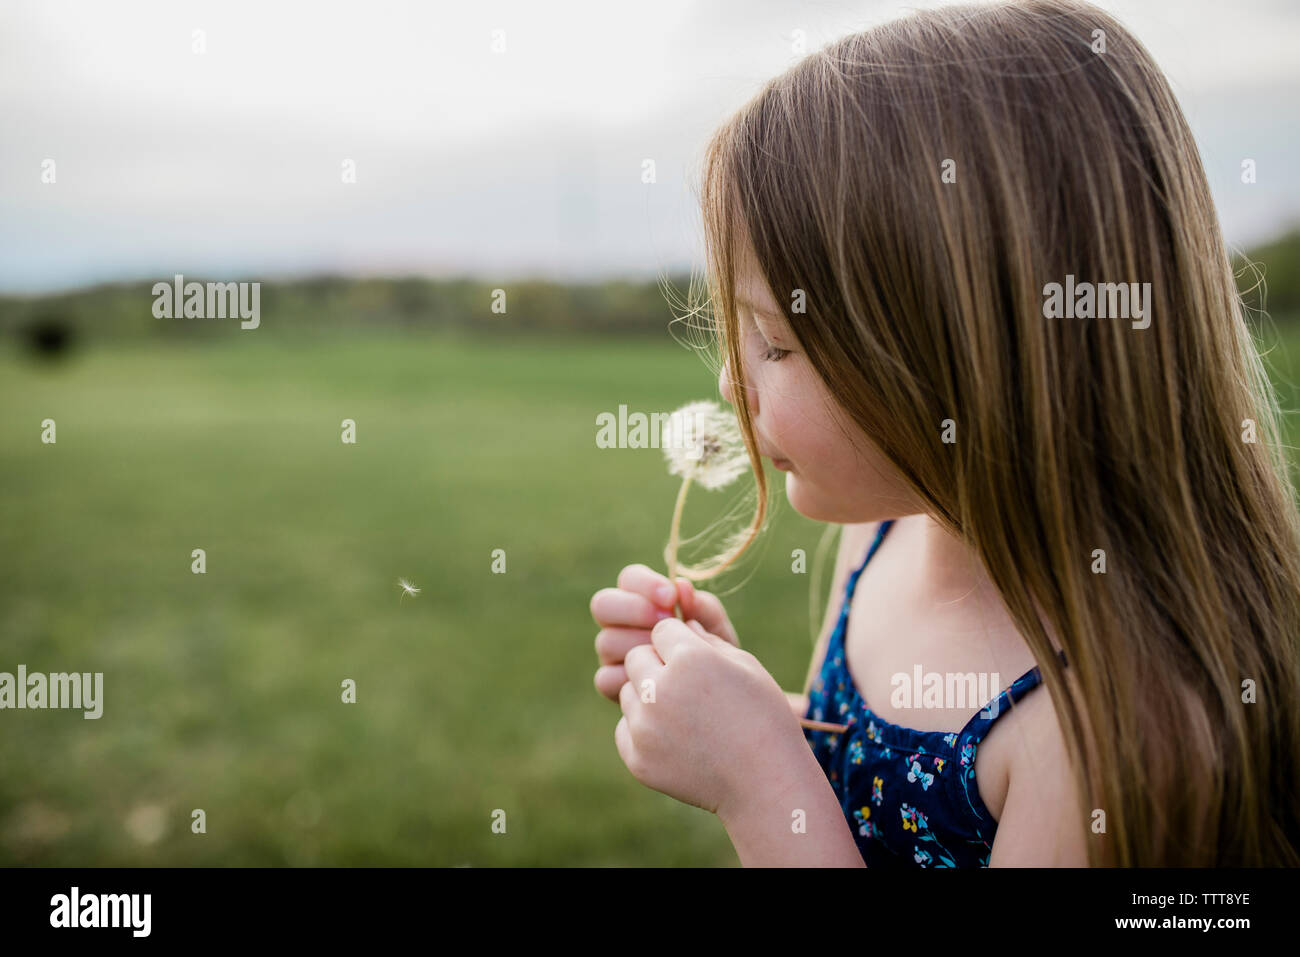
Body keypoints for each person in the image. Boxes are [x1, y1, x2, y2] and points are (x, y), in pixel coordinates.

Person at [590, 0, 1300, 867]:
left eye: (777, 342)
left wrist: (758, 776)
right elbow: (870, 790)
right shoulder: (879, 539)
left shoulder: (1108, 733)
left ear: (957, 351)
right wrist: (746, 713)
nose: (734, 382)